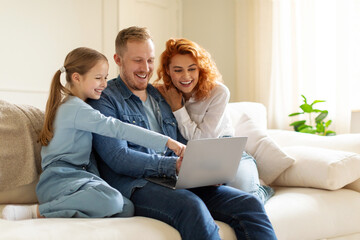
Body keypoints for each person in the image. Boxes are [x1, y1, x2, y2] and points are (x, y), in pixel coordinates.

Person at [88, 26, 277, 240]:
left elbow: (181, 142)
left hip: (173, 179)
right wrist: (172, 166)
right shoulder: (104, 99)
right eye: (137, 60)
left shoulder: (161, 95)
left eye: (150, 60)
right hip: (135, 185)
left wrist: (204, 172)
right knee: (190, 205)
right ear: (118, 59)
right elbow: (118, 157)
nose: (145, 68)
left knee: (248, 203)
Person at [1, 47, 185, 221]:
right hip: (58, 180)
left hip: (78, 178)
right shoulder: (75, 108)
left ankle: (70, 210)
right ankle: (38, 212)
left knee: (126, 207)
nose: (104, 84)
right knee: (111, 200)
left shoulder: (78, 105)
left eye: (105, 77)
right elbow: (117, 128)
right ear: (77, 78)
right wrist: (167, 142)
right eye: (98, 78)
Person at [154, 38, 274, 204]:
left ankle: (263, 189)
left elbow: (202, 140)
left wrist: (177, 108)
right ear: (168, 71)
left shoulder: (218, 92)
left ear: (200, 69)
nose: (186, 76)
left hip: (227, 151)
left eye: (192, 69)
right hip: (192, 158)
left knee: (246, 199)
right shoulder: (163, 93)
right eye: (178, 70)